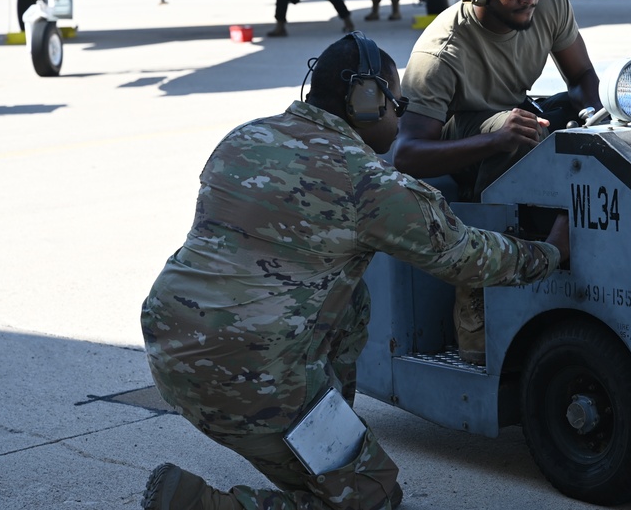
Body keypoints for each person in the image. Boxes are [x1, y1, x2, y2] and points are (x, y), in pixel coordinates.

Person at [139, 32, 570, 510]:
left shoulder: (246, 137)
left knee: (353, 300)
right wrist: (548, 252)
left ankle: (326, 443)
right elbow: (465, 256)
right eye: (395, 101)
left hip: (170, 344)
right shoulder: (368, 184)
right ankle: (197, 505)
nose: (400, 113)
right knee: (373, 503)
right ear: (366, 100)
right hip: (250, 371)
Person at [392, 0, 601, 364]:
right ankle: (476, 306)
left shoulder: (548, 2)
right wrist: (496, 139)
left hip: (513, 119)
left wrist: (589, 118)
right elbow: (407, 155)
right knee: (517, 133)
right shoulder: (442, 51)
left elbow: (582, 76)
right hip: (463, 140)